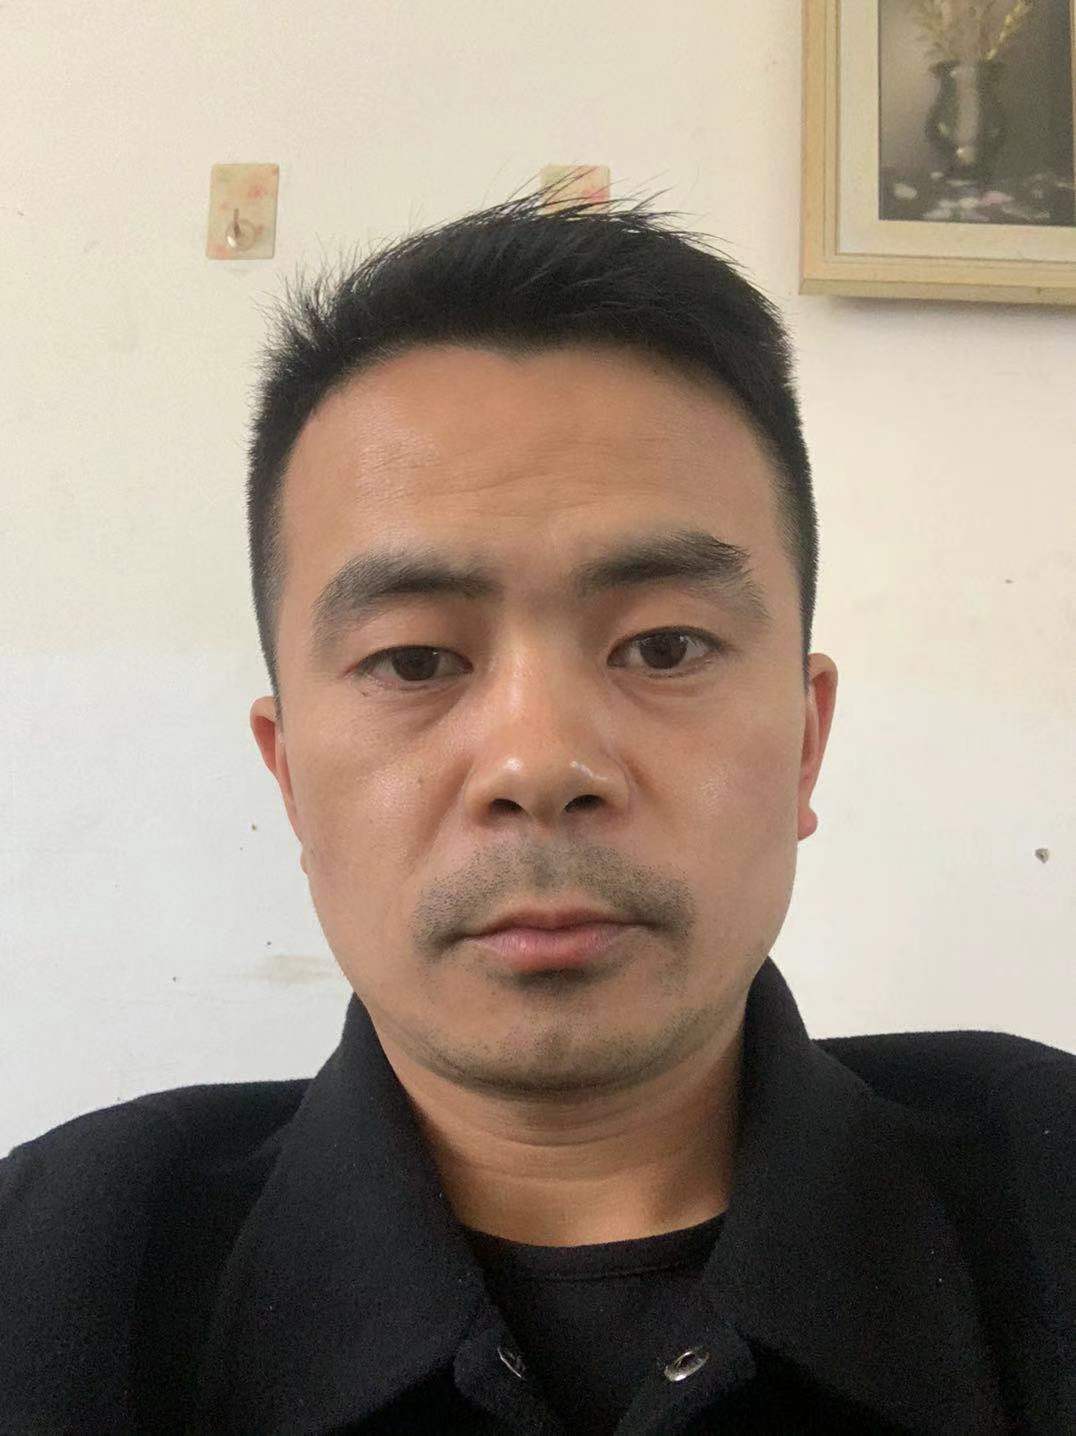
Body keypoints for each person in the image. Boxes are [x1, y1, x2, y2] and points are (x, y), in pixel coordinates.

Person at [2, 184, 1072, 1436]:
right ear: (287, 774)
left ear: (803, 741)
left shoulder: (1042, 1200)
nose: (540, 760)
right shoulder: (60, 1273)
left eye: (663, 645)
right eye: (414, 659)